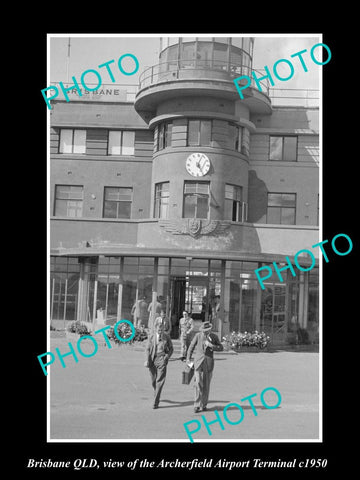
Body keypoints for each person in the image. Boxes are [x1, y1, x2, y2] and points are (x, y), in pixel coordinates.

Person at [186, 320, 223, 413]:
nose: (205, 332)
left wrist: (212, 346)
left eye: (206, 330)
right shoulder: (198, 336)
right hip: (198, 362)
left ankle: (204, 404)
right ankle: (196, 404)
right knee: (197, 382)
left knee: (206, 384)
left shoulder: (214, 337)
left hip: (208, 363)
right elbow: (191, 347)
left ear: (209, 330)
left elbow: (221, 347)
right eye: (203, 330)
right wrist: (188, 358)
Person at [144, 319, 173, 409]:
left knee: (159, 381)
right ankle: (156, 392)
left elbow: (171, 348)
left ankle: (155, 402)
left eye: (162, 330)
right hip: (153, 359)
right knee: (153, 381)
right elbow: (147, 349)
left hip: (162, 359)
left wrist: (167, 357)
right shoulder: (151, 337)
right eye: (159, 330)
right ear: (156, 329)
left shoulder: (167, 337)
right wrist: (147, 360)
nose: (160, 331)